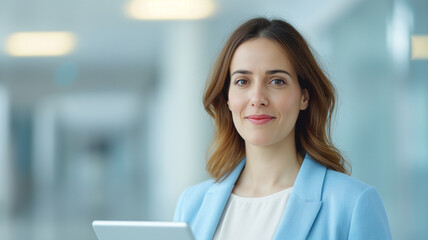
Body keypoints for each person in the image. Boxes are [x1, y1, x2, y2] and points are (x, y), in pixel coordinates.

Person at [173, 17, 392, 240]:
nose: (257, 99)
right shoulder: (192, 205)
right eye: (242, 81)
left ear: (304, 97)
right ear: (227, 98)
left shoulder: (352, 203)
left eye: (277, 81)